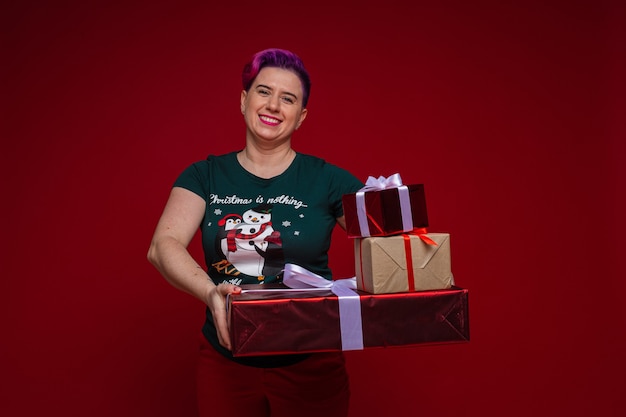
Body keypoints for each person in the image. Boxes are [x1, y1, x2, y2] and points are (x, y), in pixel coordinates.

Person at [147, 48, 364, 417]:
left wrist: (423, 269)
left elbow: (385, 245)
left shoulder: (329, 180)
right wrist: (210, 293)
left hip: (312, 366)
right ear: (244, 100)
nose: (274, 105)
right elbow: (162, 246)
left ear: (301, 117)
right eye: (263, 91)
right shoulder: (204, 176)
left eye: (288, 98)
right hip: (226, 363)